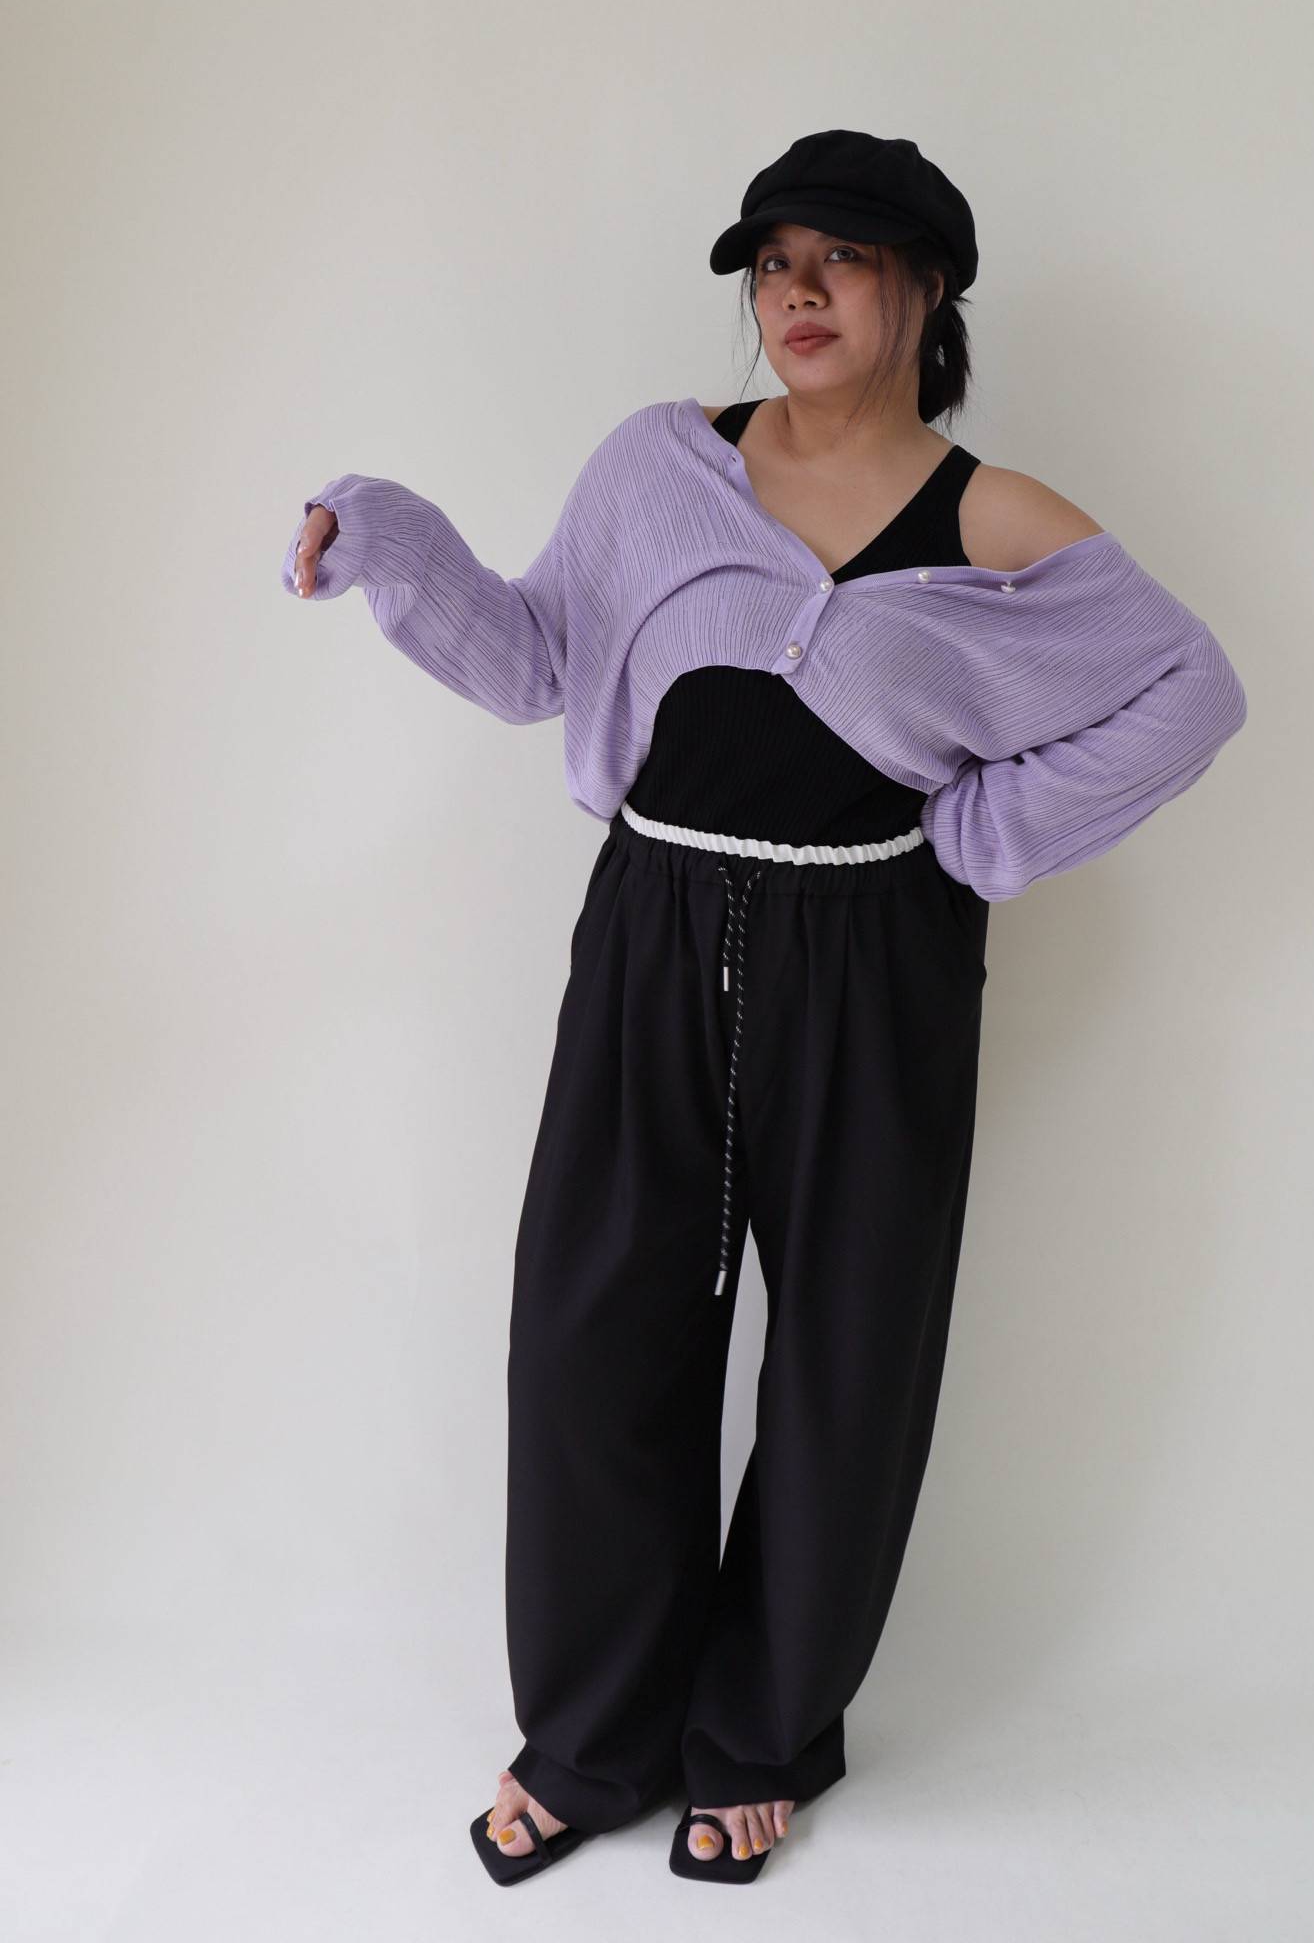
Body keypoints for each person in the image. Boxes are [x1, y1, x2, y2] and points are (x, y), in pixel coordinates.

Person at [282, 128, 1248, 1886]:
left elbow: (1189, 686)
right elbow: (538, 657)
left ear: (926, 289)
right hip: (652, 923)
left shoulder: (999, 517)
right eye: (776, 263)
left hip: (875, 952)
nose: (798, 295)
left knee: (846, 1357)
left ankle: (765, 1731)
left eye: (842, 262)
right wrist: (391, 541)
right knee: (593, 1335)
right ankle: (592, 1741)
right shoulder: (662, 467)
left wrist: (982, 836)